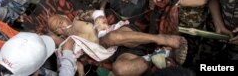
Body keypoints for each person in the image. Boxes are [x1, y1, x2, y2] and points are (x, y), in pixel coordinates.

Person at [48, 12, 188, 76]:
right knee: (120, 70)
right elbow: (67, 61)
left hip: (121, 36)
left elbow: (97, 13)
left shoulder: (80, 17)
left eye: (60, 21)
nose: (61, 26)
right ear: (59, 33)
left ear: (66, 17)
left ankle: (161, 39)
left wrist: (97, 20)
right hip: (115, 53)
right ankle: (162, 54)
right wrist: (77, 63)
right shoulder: (68, 43)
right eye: (57, 28)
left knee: (111, 37)